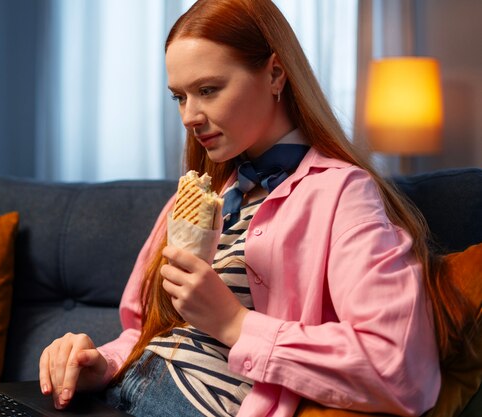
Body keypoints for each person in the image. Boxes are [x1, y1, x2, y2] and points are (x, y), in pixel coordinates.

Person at [39, 0, 466, 415]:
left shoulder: (342, 193)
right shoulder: (196, 194)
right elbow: (140, 330)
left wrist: (234, 323)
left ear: (275, 74)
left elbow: (401, 370)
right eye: (179, 97)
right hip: (117, 391)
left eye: (208, 90)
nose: (189, 115)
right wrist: (100, 364)